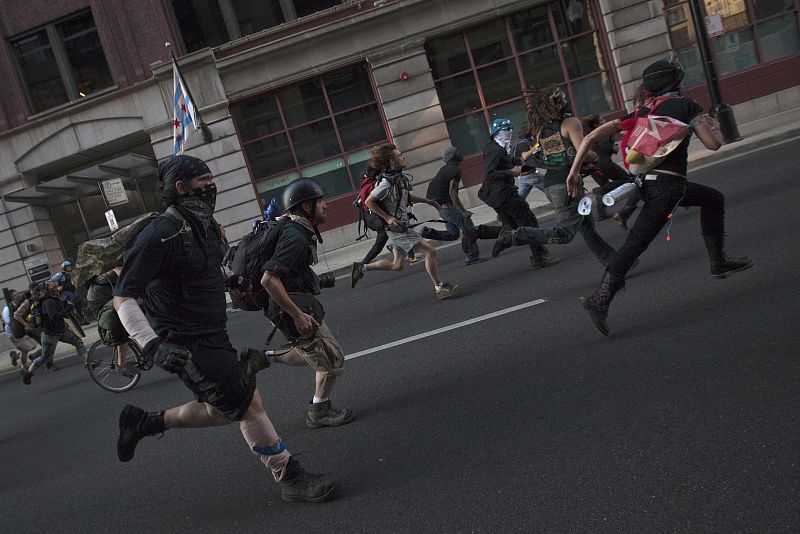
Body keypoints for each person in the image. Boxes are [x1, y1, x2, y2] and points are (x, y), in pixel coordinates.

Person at [112, 154, 336, 503]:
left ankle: (145, 423)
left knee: (222, 408)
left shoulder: (202, 225)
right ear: (180, 188)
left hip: (213, 330)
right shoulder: (160, 233)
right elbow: (123, 297)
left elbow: (204, 268)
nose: (211, 188)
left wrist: (233, 280)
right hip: (184, 340)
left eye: (212, 180)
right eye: (203, 183)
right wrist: (152, 345)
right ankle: (288, 475)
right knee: (249, 403)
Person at [567, 60, 753, 336]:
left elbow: (592, 135)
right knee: (633, 246)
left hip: (651, 185)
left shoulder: (644, 110)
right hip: (668, 188)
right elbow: (714, 145)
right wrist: (713, 126)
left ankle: (718, 262)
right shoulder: (687, 106)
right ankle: (599, 300)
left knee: (713, 199)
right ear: (675, 81)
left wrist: (574, 172)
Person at [240, 178, 354, 429]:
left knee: (325, 356)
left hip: (294, 304)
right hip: (290, 309)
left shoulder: (298, 229)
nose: (326, 205)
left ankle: (264, 358)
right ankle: (318, 411)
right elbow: (268, 279)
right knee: (330, 361)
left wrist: (316, 283)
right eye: (320, 201)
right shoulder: (296, 236)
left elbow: (292, 272)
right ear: (305, 207)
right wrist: (298, 315)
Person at [490, 90, 617, 269]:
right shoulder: (570, 123)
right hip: (566, 185)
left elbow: (553, 155)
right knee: (564, 234)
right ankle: (513, 236)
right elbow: (584, 152)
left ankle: (615, 262)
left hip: (553, 184)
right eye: (563, 99)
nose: (567, 101)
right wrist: (595, 157)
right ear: (556, 105)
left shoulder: (543, 129)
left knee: (587, 227)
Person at [350, 144, 461, 300]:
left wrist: (427, 201)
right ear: (392, 161)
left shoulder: (399, 178)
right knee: (431, 251)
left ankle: (362, 268)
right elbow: (369, 201)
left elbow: (406, 197)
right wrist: (388, 217)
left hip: (400, 226)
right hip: (398, 229)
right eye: (400, 155)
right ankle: (440, 288)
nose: (403, 157)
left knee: (398, 265)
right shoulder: (386, 183)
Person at [477, 118, 559, 269]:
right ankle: (539, 256)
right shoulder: (496, 149)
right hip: (505, 194)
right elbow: (490, 173)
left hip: (496, 196)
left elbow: (501, 162)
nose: (508, 133)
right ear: (496, 133)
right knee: (529, 223)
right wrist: (511, 172)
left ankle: (481, 233)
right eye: (505, 130)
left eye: (510, 129)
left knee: (513, 226)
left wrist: (516, 161)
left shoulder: (491, 146)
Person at [419, 146, 497, 265]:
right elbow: (453, 193)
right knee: (469, 229)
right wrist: (463, 211)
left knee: (453, 234)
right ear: (453, 157)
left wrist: (440, 207)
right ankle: (472, 257)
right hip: (447, 206)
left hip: (442, 207)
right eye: (458, 153)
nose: (460, 154)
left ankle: (429, 233)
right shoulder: (454, 170)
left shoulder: (445, 169)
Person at [20, 279, 89, 384]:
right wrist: (68, 308)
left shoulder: (54, 298)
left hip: (60, 330)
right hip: (50, 334)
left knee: (78, 341)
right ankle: (28, 373)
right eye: (53, 286)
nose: (56, 287)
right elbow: (54, 316)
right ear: (48, 290)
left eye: (55, 285)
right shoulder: (48, 301)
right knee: (45, 357)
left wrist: (67, 309)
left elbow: (61, 313)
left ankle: (88, 362)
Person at [3, 290, 42, 369]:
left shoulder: (17, 305)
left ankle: (16, 355)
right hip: (14, 333)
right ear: (10, 298)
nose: (17, 296)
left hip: (22, 331)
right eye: (14, 296)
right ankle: (23, 366)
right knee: (25, 350)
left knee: (33, 346)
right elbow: (9, 322)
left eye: (17, 294)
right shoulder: (7, 309)